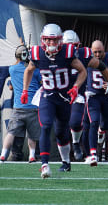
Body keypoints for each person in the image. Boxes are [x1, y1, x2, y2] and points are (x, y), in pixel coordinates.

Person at [21, 24, 87, 178]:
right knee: (45, 125)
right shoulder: (37, 53)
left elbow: (82, 71)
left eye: (54, 40)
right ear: (43, 40)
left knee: (61, 132)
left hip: (64, 97)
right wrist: (25, 90)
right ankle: (44, 164)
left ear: (60, 40)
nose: (51, 44)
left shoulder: (67, 52)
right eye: (48, 40)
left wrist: (76, 86)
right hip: (48, 95)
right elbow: (28, 70)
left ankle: (66, 162)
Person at [62, 30, 108, 161]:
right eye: (68, 46)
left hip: (78, 93)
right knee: (57, 128)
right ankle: (63, 158)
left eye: (74, 46)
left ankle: (76, 143)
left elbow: (102, 66)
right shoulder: (54, 55)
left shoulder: (84, 54)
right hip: (60, 93)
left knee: (76, 122)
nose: (71, 50)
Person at [0, 45, 41, 163]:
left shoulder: (12, 69)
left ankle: (3, 155)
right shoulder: (35, 70)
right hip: (33, 107)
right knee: (32, 135)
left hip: (18, 107)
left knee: (11, 133)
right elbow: (41, 82)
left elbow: (11, 85)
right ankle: (32, 156)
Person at [85, 40, 108, 166]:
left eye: (100, 52)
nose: (97, 54)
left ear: (104, 50)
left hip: (106, 97)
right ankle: (93, 154)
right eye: (95, 52)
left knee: (105, 125)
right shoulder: (86, 59)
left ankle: (101, 136)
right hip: (93, 96)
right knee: (94, 122)